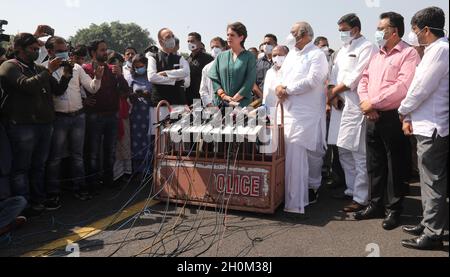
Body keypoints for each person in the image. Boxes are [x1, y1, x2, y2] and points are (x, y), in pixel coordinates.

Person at [355, 12, 421, 231]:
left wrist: (373, 102)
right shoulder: (377, 55)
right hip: (371, 115)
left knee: (396, 165)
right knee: (374, 163)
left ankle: (394, 209)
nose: (377, 32)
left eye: (381, 28)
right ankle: (376, 204)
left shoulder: (408, 54)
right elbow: (364, 80)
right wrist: (367, 104)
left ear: (394, 31)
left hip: (393, 116)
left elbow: (403, 87)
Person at [0, 33, 71, 216]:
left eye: (37, 49)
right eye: (32, 49)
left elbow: (58, 90)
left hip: (45, 124)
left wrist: (66, 74)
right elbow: (26, 86)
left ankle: (38, 201)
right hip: (23, 126)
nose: (36, 52)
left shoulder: (38, 67)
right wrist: (47, 71)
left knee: (39, 165)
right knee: (21, 168)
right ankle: (23, 206)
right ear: (19, 50)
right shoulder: (9, 67)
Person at [399, 7, 449, 251]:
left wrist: (403, 109)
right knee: (428, 179)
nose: (414, 35)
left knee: (432, 182)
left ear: (427, 30)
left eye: (416, 30)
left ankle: (433, 234)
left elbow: (420, 89)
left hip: (433, 127)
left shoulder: (440, 50)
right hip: (426, 124)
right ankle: (429, 223)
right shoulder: (434, 50)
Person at [43, 36, 104, 208]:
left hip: (78, 117)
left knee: (77, 156)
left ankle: (80, 188)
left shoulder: (76, 67)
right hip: (58, 118)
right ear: (49, 51)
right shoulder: (44, 69)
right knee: (55, 158)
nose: (64, 53)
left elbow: (91, 88)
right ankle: (53, 193)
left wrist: (97, 78)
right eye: (59, 50)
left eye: (65, 50)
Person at [276, 22, 329, 214]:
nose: (289, 36)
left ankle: (311, 188)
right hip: (289, 110)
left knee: (311, 151)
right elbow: (281, 75)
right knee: (289, 151)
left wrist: (287, 89)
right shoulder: (291, 54)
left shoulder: (317, 54)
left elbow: (313, 80)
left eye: (293, 33)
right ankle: (290, 191)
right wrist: (280, 87)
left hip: (308, 111)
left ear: (305, 34)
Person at [327, 14, 378, 213]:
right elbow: (333, 75)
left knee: (358, 153)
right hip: (340, 105)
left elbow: (355, 77)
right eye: (339, 30)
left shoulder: (367, 47)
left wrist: (333, 92)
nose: (340, 33)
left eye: (343, 29)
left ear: (355, 29)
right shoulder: (342, 50)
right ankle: (351, 190)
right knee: (343, 151)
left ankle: (362, 197)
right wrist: (333, 95)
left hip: (356, 106)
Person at [83, 40, 130, 194]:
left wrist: (120, 76)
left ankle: (108, 180)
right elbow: (77, 90)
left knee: (109, 150)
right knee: (93, 152)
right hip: (94, 116)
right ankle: (93, 183)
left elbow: (125, 91)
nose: (105, 52)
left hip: (112, 115)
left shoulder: (112, 70)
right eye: (102, 50)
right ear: (93, 53)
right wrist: (84, 101)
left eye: (105, 49)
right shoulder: (85, 69)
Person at [146, 28, 190, 134]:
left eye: (172, 36)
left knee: (177, 139)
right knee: (160, 138)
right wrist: (174, 80)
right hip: (160, 105)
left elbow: (185, 72)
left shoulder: (180, 58)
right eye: (168, 37)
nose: (172, 39)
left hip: (178, 103)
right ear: (161, 41)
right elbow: (152, 77)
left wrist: (166, 73)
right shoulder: (153, 58)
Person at [209, 22, 257, 108]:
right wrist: (223, 96)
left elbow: (250, 81)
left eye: (232, 35)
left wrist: (234, 99)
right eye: (227, 35)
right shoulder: (221, 56)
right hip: (221, 103)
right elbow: (214, 77)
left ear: (241, 37)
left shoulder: (249, 57)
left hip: (242, 105)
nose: (228, 38)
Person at [125, 54, 153, 174]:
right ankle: (137, 169)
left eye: (141, 66)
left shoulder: (151, 77)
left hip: (149, 113)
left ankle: (150, 168)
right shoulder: (131, 78)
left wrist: (146, 94)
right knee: (136, 139)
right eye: (136, 67)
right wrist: (134, 95)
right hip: (136, 114)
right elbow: (128, 95)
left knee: (149, 139)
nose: (138, 69)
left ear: (146, 65)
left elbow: (156, 95)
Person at [185, 32, 214, 106]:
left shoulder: (208, 59)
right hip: (188, 98)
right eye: (188, 41)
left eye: (192, 41)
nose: (189, 43)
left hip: (202, 99)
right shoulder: (187, 60)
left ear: (199, 43)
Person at [199, 37, 228, 107]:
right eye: (212, 47)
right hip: (213, 105)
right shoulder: (206, 68)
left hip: (230, 105)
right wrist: (209, 104)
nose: (214, 49)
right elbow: (203, 90)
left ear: (223, 48)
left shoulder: (232, 65)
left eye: (217, 46)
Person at [262, 45, 289, 118]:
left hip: (287, 111)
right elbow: (266, 93)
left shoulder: (292, 71)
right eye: (274, 55)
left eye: (280, 55)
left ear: (287, 55)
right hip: (271, 112)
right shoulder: (269, 72)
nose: (277, 57)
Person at [253, 34, 278, 99]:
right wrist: (262, 96)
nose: (266, 46)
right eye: (264, 43)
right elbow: (253, 83)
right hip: (259, 100)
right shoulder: (257, 63)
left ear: (275, 45)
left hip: (276, 99)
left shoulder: (280, 62)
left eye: (269, 43)